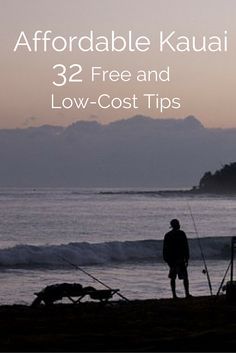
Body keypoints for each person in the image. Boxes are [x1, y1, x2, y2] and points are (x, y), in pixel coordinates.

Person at [163, 219, 191, 298]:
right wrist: (187, 258)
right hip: (180, 259)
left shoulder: (168, 235)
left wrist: (167, 260)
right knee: (184, 277)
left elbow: (165, 249)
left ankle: (174, 295)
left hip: (172, 260)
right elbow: (186, 247)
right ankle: (187, 293)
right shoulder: (181, 234)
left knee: (173, 277)